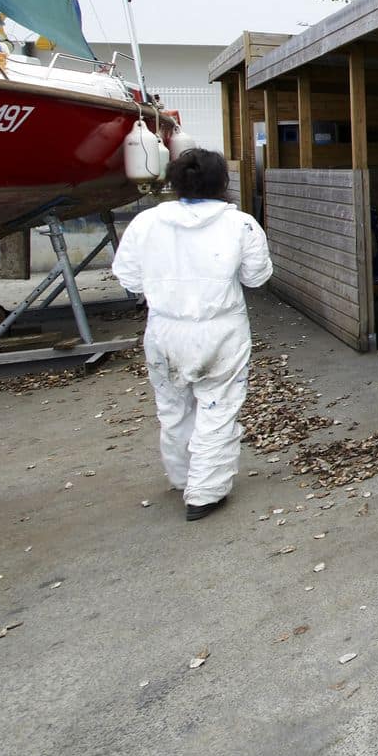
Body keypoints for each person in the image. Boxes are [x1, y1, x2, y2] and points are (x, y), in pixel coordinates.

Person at [112, 148, 273, 521]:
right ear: (223, 183)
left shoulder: (145, 223)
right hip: (220, 328)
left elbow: (129, 278)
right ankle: (205, 492)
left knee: (173, 408)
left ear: (174, 181)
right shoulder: (241, 225)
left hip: (164, 328)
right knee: (217, 407)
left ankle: (183, 476)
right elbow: (257, 276)